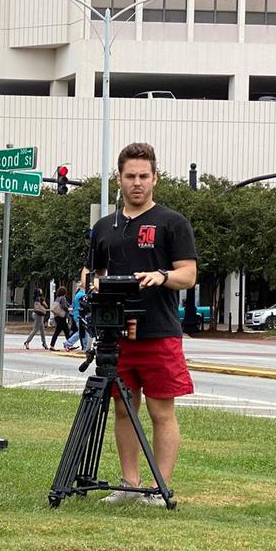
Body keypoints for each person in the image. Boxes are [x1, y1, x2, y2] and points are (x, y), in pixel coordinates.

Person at [89, 142, 197, 506]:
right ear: (118, 179)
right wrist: (92, 283)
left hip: (160, 331)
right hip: (117, 335)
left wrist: (161, 276)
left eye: (143, 176)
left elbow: (189, 274)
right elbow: (92, 271)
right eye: (130, 176)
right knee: (123, 408)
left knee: (160, 410)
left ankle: (158, 486)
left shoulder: (172, 222)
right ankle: (129, 485)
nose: (137, 183)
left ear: (155, 179)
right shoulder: (105, 226)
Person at [64, 269, 92, 352]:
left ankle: (71, 344)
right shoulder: (82, 295)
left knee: (81, 332)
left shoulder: (77, 294)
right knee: (82, 332)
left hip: (77, 315)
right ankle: (81, 346)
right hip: (80, 315)